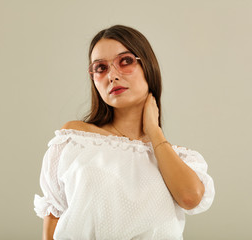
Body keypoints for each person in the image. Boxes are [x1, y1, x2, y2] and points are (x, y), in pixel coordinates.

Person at [33, 25, 215, 240]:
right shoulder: (75, 139)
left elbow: (190, 198)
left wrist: (154, 132)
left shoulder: (179, 159)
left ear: (148, 66)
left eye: (125, 61)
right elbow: (54, 214)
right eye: (100, 68)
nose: (112, 76)